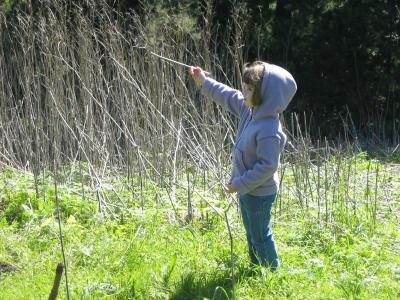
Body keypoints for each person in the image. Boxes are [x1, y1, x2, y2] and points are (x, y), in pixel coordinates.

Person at [189, 61, 297, 271]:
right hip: (247, 190)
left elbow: (267, 167)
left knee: (260, 235)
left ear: (266, 95)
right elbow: (227, 95)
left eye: (249, 89)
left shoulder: (269, 129)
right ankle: (257, 267)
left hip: (259, 193)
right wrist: (203, 81)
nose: (243, 92)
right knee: (252, 232)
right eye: (245, 87)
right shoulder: (250, 111)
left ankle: (271, 273)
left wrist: (239, 183)